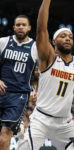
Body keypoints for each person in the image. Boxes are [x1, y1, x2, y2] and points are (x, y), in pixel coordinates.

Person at [17, 0, 74, 150]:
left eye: (70, 36)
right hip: (42, 118)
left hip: (65, 121)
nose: (68, 38)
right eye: (63, 36)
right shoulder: (48, 58)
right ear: (53, 41)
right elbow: (41, 29)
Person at [0, 15, 38, 150]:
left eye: (23, 25)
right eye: (18, 25)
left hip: (18, 96)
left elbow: (43, 73)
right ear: (13, 28)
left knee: (5, 134)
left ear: (29, 28)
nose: (21, 27)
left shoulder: (35, 47)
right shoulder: (3, 42)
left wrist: (37, 89)